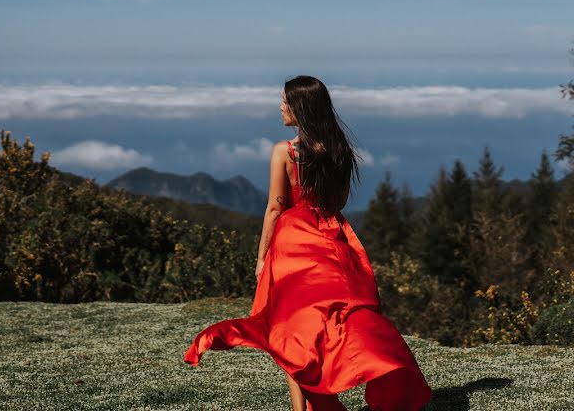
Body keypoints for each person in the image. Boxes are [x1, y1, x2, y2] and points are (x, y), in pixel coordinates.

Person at [184, 75, 432, 411]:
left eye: (285, 101)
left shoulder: (284, 152)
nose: (280, 107)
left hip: (292, 246)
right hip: (333, 239)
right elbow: (338, 201)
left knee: (290, 331)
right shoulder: (341, 151)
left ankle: (304, 408)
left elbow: (275, 207)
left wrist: (261, 259)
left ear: (300, 108)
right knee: (335, 324)